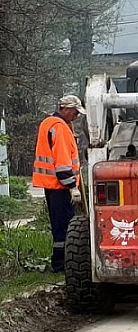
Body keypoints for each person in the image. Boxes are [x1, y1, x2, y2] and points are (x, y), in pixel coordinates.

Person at [32, 95, 85, 272]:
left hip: (51, 185)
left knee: (58, 226)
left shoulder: (48, 123)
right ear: (67, 110)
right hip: (60, 186)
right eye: (76, 113)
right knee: (66, 227)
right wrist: (73, 187)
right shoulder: (60, 128)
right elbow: (62, 163)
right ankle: (61, 265)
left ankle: (59, 263)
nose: (76, 117)